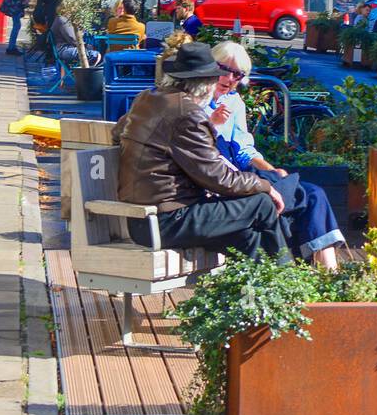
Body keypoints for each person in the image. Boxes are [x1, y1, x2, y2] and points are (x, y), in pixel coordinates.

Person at [114, 41, 291, 262]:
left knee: (247, 237)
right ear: (206, 84)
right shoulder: (188, 114)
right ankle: (288, 281)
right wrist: (266, 186)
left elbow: (117, 133)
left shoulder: (147, 99)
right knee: (261, 203)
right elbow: (220, 178)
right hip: (166, 221)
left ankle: (269, 288)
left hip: (143, 219)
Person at [206, 39, 346, 267]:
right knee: (305, 196)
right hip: (223, 183)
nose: (230, 79)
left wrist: (271, 170)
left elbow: (244, 151)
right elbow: (195, 150)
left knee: (313, 193)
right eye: (225, 70)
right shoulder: (191, 103)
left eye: (238, 75)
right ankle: (322, 278)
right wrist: (211, 123)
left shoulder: (234, 102)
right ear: (209, 66)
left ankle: (327, 276)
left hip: (244, 176)